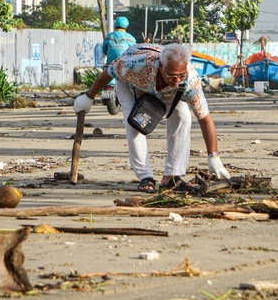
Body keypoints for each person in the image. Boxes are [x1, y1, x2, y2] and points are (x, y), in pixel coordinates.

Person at [74, 43, 231, 193]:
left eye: (181, 75)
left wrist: (213, 156)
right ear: (161, 67)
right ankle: (145, 176)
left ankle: (172, 176)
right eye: (172, 75)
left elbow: (204, 118)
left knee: (183, 116)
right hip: (131, 85)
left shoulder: (190, 81)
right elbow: (109, 73)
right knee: (135, 123)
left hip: (171, 92)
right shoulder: (133, 65)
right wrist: (88, 97)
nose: (176, 79)